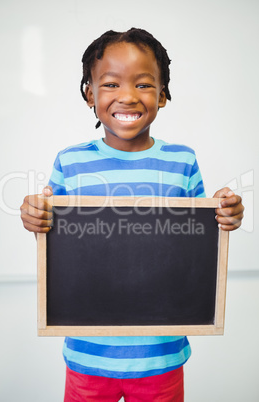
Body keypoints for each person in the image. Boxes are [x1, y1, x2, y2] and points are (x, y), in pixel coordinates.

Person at [20, 28, 244, 402]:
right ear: (90, 94)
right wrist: (34, 217)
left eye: (143, 84)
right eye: (110, 84)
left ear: (163, 95)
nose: (127, 96)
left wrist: (225, 213)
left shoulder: (181, 161)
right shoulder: (71, 162)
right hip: (88, 356)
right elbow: (54, 237)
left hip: (161, 356)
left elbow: (198, 240)